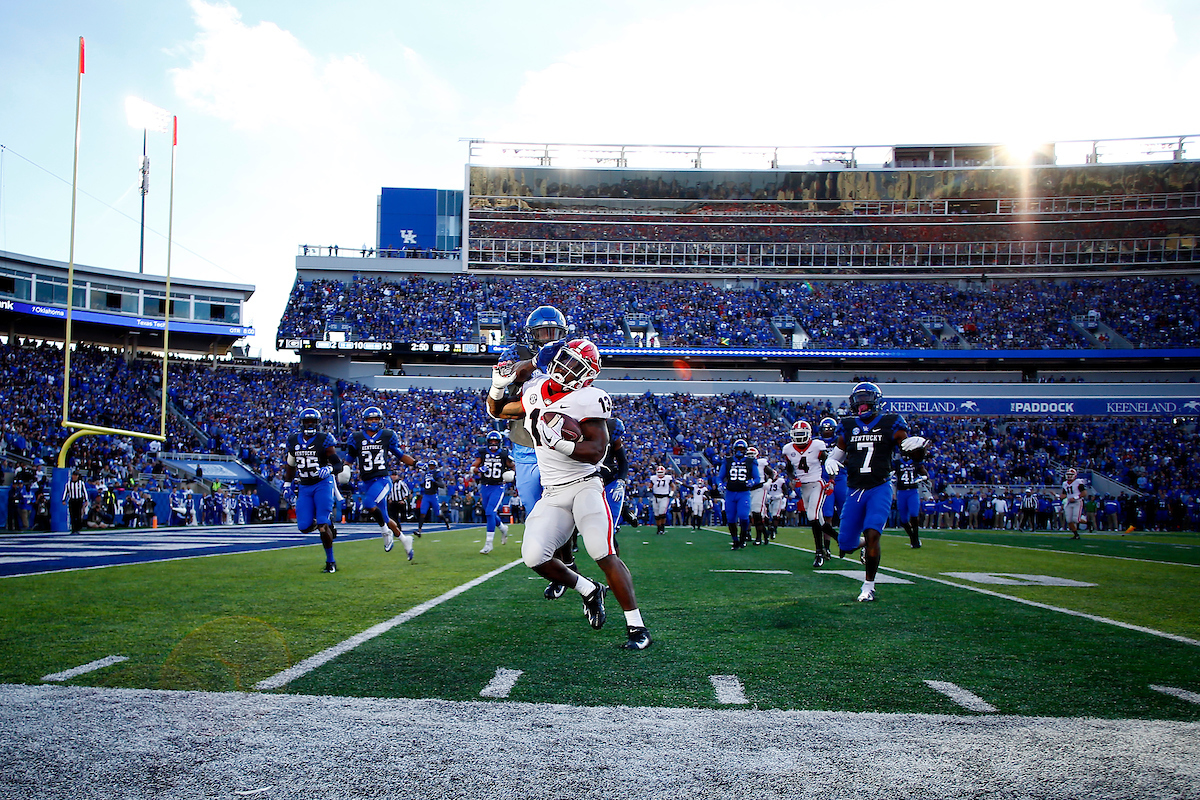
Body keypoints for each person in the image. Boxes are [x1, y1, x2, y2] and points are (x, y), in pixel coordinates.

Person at [488, 338, 652, 651]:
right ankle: (589, 589)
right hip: (553, 492)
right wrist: (498, 385)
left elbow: (596, 451)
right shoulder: (536, 390)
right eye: (566, 360)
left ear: (589, 375)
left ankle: (636, 627)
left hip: (584, 485)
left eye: (577, 365)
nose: (567, 368)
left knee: (602, 552)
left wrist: (560, 443)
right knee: (534, 557)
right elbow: (499, 412)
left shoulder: (590, 398)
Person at [823, 382, 926, 603]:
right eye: (858, 399)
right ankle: (862, 546)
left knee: (873, 533)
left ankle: (868, 586)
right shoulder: (848, 425)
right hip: (854, 489)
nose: (862, 403)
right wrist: (830, 461)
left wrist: (918, 451)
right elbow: (838, 453)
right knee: (846, 545)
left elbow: (910, 451)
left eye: (866, 398)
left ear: (876, 399)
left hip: (879, 487)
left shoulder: (891, 422)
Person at [347, 405, 418, 559]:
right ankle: (405, 540)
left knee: (368, 504)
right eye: (371, 418)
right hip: (367, 481)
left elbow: (400, 455)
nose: (374, 421)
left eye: (376, 419)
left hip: (382, 479)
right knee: (385, 517)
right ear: (365, 420)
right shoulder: (356, 437)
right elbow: (349, 460)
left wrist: (416, 463)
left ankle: (385, 532)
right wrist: (342, 470)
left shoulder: (387, 435)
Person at [283, 407, 346, 573]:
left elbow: (338, 464)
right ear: (302, 423)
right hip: (304, 486)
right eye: (307, 422)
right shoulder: (293, 441)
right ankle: (325, 521)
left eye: (313, 422)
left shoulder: (324, 440)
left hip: (322, 484)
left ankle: (330, 562)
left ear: (318, 424)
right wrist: (287, 484)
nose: (310, 424)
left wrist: (330, 470)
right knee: (303, 527)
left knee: (322, 525)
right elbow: (290, 465)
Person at [782, 420, 830, 566]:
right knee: (819, 519)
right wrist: (792, 479)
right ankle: (827, 547)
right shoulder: (788, 449)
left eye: (802, 434)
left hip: (817, 483)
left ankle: (819, 553)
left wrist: (830, 481)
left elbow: (828, 462)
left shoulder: (817, 445)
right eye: (797, 434)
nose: (799, 437)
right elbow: (789, 469)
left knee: (812, 516)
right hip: (803, 487)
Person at [474, 431, 515, 554]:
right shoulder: (482, 453)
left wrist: (511, 474)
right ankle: (503, 528)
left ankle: (488, 544)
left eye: (495, 441)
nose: (493, 443)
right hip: (485, 486)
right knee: (489, 513)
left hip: (498, 486)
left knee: (490, 512)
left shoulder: (504, 454)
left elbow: (513, 466)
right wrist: (478, 469)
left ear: (499, 443)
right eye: (491, 441)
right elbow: (473, 468)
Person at [719, 439, 761, 550]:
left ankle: (743, 536)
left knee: (743, 516)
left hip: (743, 493)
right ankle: (735, 540)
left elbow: (757, 478)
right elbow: (719, 477)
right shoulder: (727, 461)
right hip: (730, 493)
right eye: (738, 449)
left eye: (742, 449)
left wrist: (752, 482)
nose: (740, 451)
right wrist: (720, 484)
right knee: (731, 518)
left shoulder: (751, 461)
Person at [893, 457, 926, 548]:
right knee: (903, 519)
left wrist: (922, 477)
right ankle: (912, 537)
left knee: (913, 514)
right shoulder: (897, 463)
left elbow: (925, 474)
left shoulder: (916, 462)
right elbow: (890, 473)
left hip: (913, 491)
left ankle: (915, 539)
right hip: (901, 492)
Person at [747, 446, 773, 546]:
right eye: (748, 455)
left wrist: (769, 482)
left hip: (760, 489)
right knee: (752, 515)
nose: (750, 457)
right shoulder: (744, 464)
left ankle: (758, 537)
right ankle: (765, 534)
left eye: (751, 455)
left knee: (757, 513)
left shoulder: (761, 463)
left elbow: (771, 473)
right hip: (749, 490)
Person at [415, 461, 450, 534]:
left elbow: (442, 485)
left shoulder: (437, 474)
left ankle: (446, 521)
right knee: (422, 513)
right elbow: (424, 485)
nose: (431, 467)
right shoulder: (426, 474)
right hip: (426, 495)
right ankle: (419, 530)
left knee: (438, 514)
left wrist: (434, 481)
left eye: (432, 466)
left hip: (433, 495)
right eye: (430, 466)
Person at [1061, 467, 1089, 540]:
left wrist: (1075, 498)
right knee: (1069, 520)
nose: (1069, 476)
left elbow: (1084, 493)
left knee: (1076, 519)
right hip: (1069, 502)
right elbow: (1064, 494)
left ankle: (1088, 523)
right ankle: (1076, 535)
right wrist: (1057, 496)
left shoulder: (1078, 482)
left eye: (1071, 474)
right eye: (1068, 474)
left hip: (1077, 502)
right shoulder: (1064, 483)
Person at [648, 465, 674, 536]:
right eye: (658, 472)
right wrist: (649, 489)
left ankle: (662, 528)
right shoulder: (653, 478)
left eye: (661, 472)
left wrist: (671, 493)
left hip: (664, 497)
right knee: (656, 514)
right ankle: (659, 528)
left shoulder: (668, 478)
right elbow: (650, 485)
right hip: (655, 497)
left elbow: (673, 486)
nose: (659, 473)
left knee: (662, 513)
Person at [62, 469, 89, 534]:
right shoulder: (68, 484)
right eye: (74, 475)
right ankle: (73, 529)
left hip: (79, 500)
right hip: (72, 500)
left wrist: (86, 500)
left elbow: (84, 491)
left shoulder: (81, 483)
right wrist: (64, 500)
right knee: (72, 515)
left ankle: (78, 528)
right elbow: (66, 492)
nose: (75, 477)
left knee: (78, 514)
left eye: (76, 475)